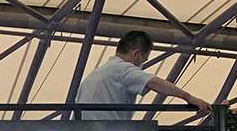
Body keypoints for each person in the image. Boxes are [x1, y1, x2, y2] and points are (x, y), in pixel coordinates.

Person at [74, 30, 211, 116]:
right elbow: (154, 82)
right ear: (136, 54)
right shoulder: (123, 70)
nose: (142, 65)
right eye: (143, 60)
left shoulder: (95, 75)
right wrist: (189, 98)